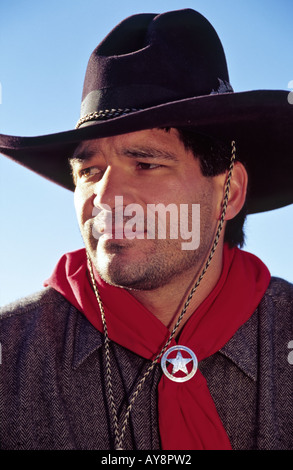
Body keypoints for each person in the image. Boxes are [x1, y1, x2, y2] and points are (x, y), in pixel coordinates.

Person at [0, 8, 292, 451]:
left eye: (146, 164)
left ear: (229, 192)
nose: (105, 196)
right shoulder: (10, 355)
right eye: (89, 171)